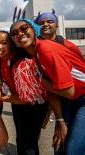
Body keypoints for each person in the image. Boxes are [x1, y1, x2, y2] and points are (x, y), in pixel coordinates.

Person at [10, 19, 85, 154]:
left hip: (80, 99)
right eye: (14, 33)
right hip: (70, 100)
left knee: (72, 150)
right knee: (59, 145)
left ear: (34, 29)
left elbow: (69, 92)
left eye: (24, 28)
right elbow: (53, 92)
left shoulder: (46, 49)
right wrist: (60, 120)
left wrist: (38, 78)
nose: (20, 34)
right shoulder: (35, 57)